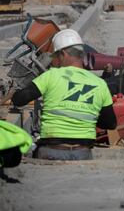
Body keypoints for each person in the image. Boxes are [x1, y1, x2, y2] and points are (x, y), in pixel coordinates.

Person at [12, 29, 117, 160]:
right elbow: (110, 123)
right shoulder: (100, 83)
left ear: (62, 54)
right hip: (83, 153)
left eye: (54, 56)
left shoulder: (51, 76)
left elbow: (19, 100)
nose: (53, 60)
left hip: (51, 150)